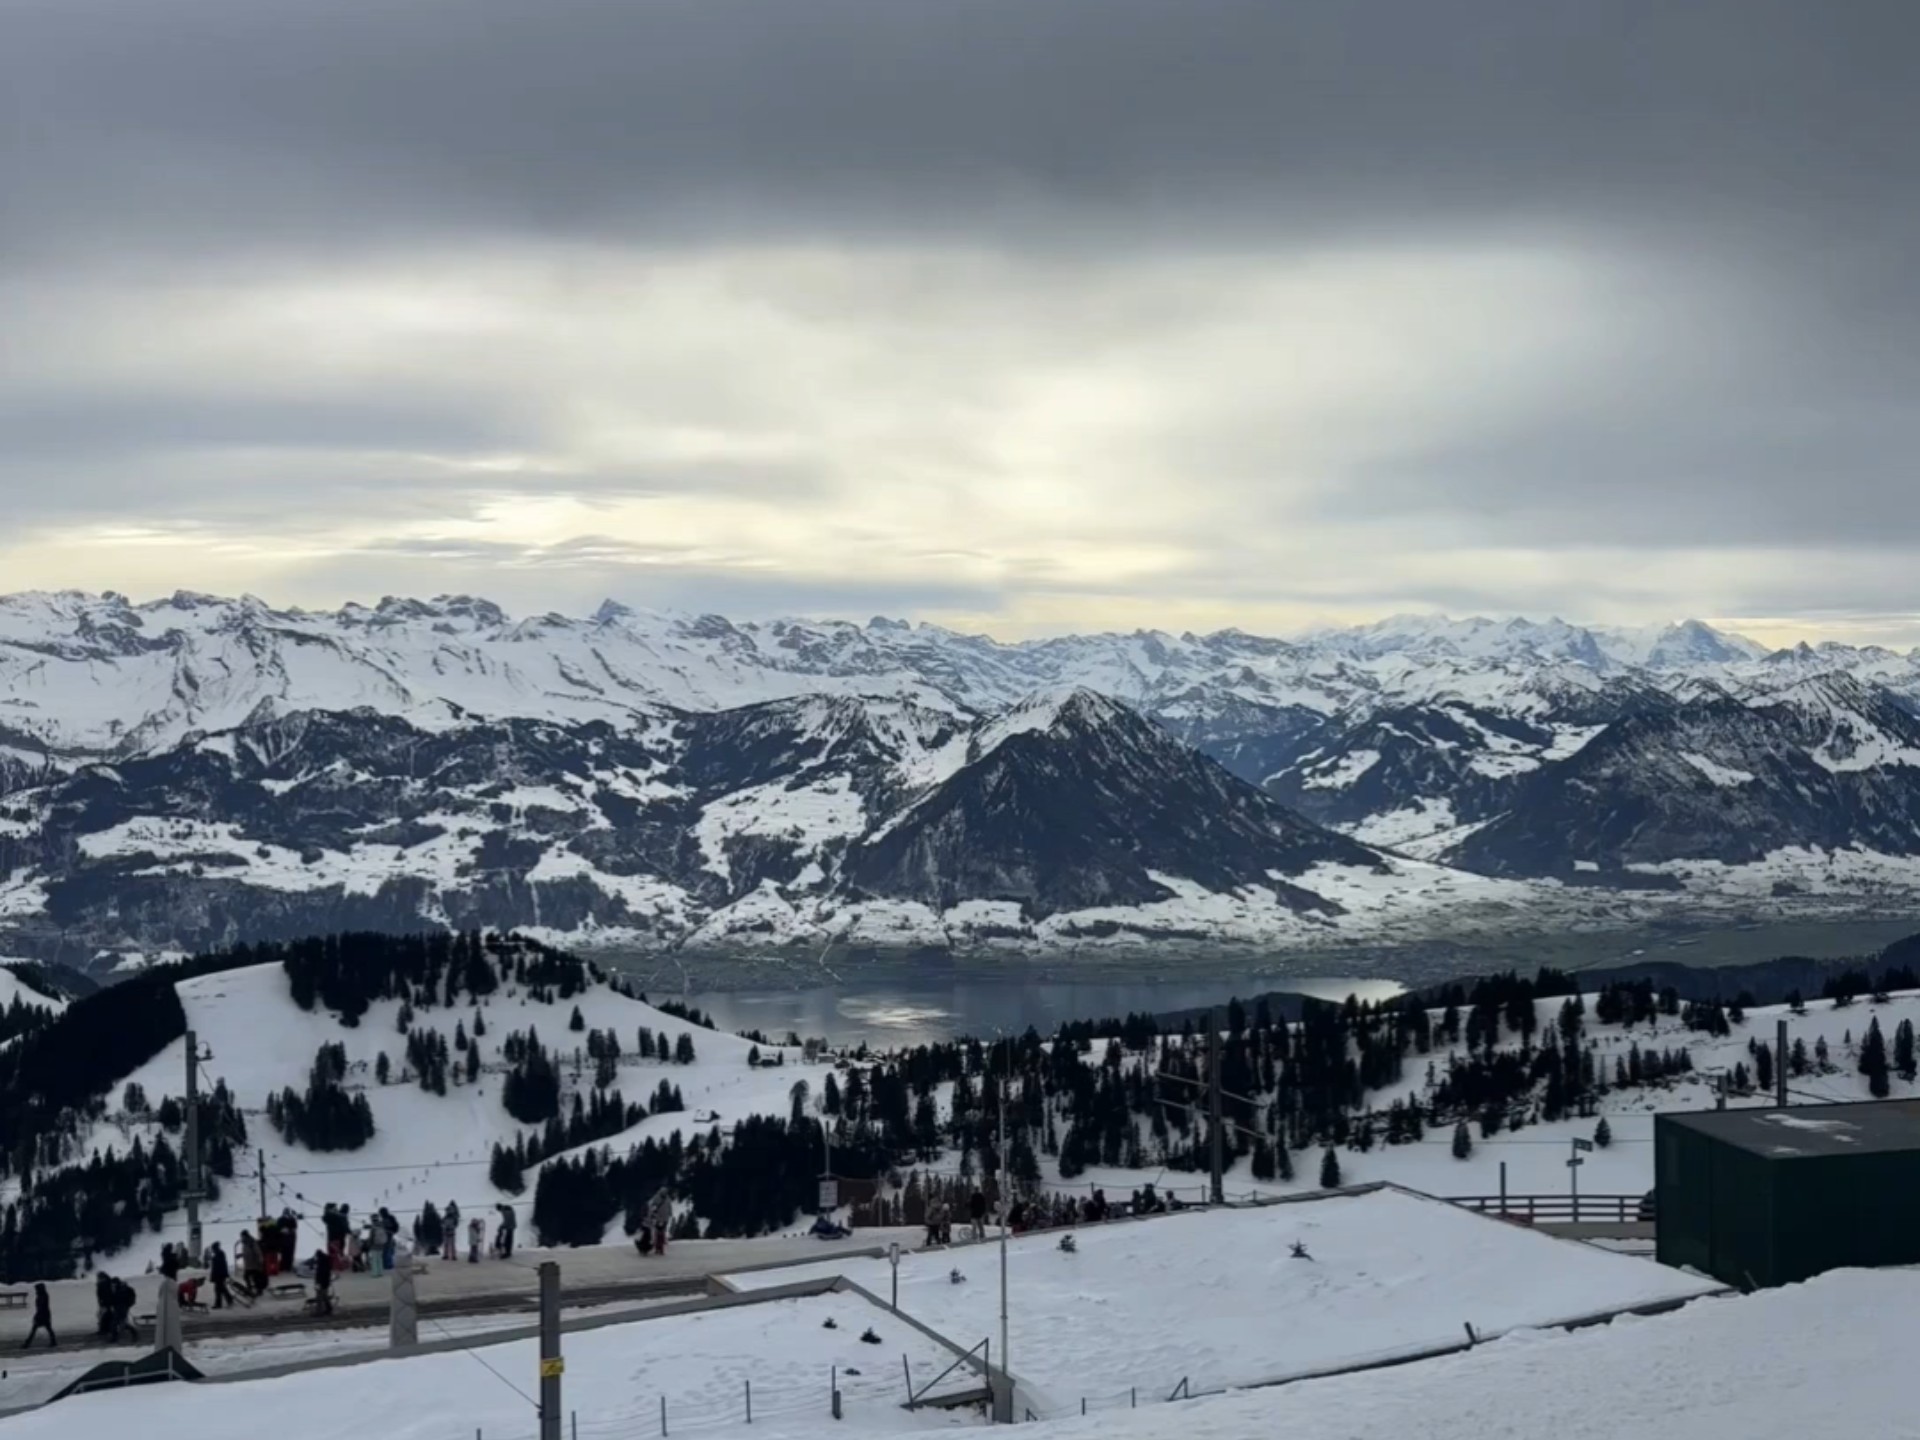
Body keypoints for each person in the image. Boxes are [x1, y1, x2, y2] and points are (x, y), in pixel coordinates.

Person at [22, 1282, 54, 1349]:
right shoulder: (43, 1295)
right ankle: (53, 1341)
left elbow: (41, 1307)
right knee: (48, 1329)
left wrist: (37, 1315)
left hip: (42, 1315)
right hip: (44, 1314)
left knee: (34, 1329)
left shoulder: (42, 1295)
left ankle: (27, 1344)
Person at [238, 1230, 267, 1298]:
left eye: (242, 1236)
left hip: (254, 1264)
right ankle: (250, 1289)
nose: (241, 1238)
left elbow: (258, 1253)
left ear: (245, 1236)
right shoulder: (245, 1243)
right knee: (246, 1277)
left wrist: (260, 1262)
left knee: (255, 1278)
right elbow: (247, 1253)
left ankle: (258, 1290)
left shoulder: (252, 1243)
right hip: (248, 1265)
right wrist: (241, 1255)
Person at [208, 1241, 234, 1310]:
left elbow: (220, 1266)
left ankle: (219, 1304)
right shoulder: (219, 1254)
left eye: (213, 1249)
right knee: (221, 1289)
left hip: (220, 1275)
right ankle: (229, 1299)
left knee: (218, 1290)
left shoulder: (219, 1254)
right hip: (219, 1275)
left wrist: (213, 1259)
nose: (212, 1250)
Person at [646, 1187, 672, 1256]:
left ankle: (660, 1247)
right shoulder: (657, 1198)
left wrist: (670, 1213)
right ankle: (659, 1248)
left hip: (665, 1218)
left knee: (662, 1232)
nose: (665, 1193)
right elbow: (653, 1207)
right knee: (659, 1233)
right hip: (659, 1218)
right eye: (664, 1192)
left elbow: (669, 1206)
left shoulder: (667, 1198)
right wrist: (653, 1215)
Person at [310, 1248, 334, 1315]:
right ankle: (328, 1308)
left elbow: (320, 1273)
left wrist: (317, 1282)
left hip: (321, 1282)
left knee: (319, 1297)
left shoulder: (321, 1262)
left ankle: (319, 1311)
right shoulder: (325, 1261)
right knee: (324, 1296)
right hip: (325, 1282)